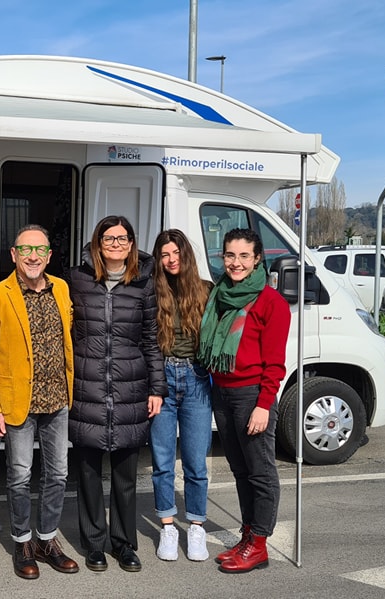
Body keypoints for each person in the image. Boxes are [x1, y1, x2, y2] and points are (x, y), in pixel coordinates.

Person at [0, 224, 79, 580]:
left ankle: (47, 540)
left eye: (39, 250)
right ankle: (22, 542)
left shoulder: (61, 289)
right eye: (25, 250)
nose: (33, 256)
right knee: (19, 476)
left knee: (59, 474)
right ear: (13, 254)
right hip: (17, 403)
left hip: (57, 400)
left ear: (49, 256)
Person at [68, 215, 165, 573]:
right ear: (97, 242)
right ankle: (93, 544)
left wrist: (157, 387)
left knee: (126, 476)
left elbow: (151, 341)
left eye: (123, 239)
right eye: (109, 238)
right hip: (87, 387)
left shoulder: (143, 283)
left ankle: (124, 544)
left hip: (130, 389)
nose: (116, 244)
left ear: (131, 243)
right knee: (89, 474)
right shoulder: (77, 279)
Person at [197, 228, 290, 573]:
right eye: (230, 255)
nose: (235, 263)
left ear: (257, 260)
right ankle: (248, 533)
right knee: (240, 470)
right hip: (222, 391)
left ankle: (260, 545)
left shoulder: (271, 302)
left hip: (251, 395)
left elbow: (275, 363)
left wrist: (264, 404)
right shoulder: (220, 294)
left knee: (261, 472)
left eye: (243, 256)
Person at [149, 229, 214, 562]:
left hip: (197, 379)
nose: (171, 260)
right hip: (162, 380)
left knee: (195, 462)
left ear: (185, 255)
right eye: (164, 255)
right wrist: (153, 385)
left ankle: (197, 526)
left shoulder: (206, 291)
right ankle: (168, 526)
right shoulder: (154, 291)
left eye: (175, 253)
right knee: (161, 462)